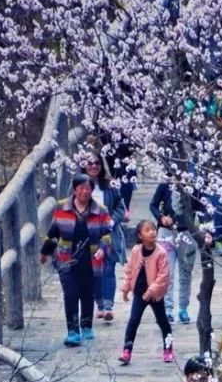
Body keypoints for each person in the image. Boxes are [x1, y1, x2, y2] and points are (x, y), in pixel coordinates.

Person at [40, 172, 112, 347]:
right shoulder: (61, 207)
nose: (85, 192)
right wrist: (45, 252)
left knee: (87, 293)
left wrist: (103, 250)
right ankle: (72, 330)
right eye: (81, 188)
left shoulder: (101, 210)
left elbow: (107, 235)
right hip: (66, 257)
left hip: (91, 258)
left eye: (88, 188)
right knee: (70, 294)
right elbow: (53, 232)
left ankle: (86, 324)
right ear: (74, 189)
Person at [119, 219, 175, 365]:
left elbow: (163, 275)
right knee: (133, 320)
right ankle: (127, 350)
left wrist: (151, 291)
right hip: (139, 292)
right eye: (148, 230)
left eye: (154, 229)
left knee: (162, 321)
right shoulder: (136, 251)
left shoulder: (160, 253)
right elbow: (129, 271)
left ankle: (168, 348)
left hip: (155, 295)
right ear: (140, 235)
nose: (152, 232)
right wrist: (125, 289)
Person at [149, 179, 204, 324]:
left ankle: (183, 308)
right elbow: (153, 205)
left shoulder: (193, 183)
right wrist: (161, 217)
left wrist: (206, 230)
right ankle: (167, 309)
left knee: (186, 273)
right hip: (166, 233)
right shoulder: (164, 184)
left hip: (187, 233)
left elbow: (202, 208)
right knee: (167, 273)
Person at [82, 150, 126, 322]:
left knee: (108, 268)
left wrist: (112, 221)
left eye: (97, 163)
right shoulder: (78, 186)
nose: (93, 166)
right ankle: (99, 304)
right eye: (89, 163)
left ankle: (108, 306)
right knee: (94, 270)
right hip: (88, 233)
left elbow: (120, 208)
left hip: (109, 232)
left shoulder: (110, 186)